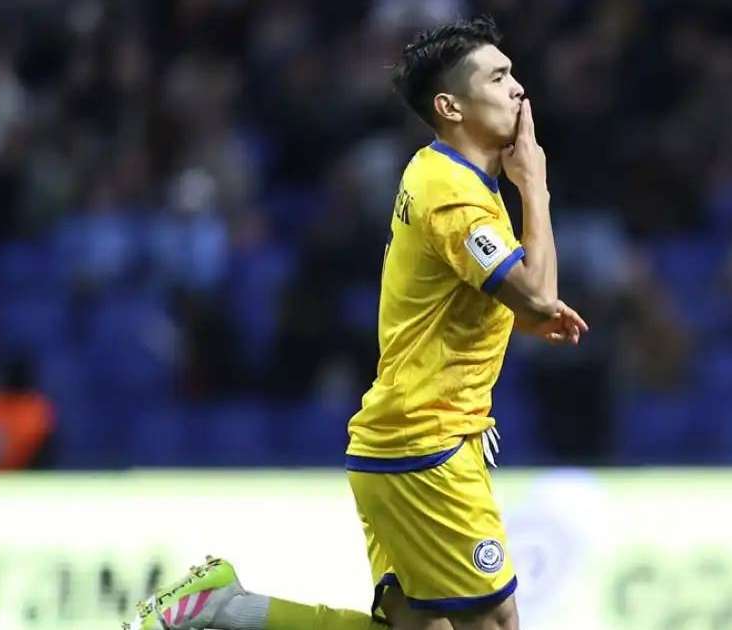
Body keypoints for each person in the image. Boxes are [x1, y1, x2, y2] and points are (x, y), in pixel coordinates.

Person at [123, 16, 588, 630]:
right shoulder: (455, 194)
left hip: (401, 441)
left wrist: (528, 313)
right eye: (498, 76)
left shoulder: (447, 177)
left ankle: (227, 611)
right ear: (450, 105)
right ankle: (221, 610)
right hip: (429, 445)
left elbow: (482, 304)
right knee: (495, 624)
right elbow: (537, 293)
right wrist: (538, 186)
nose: (518, 89)